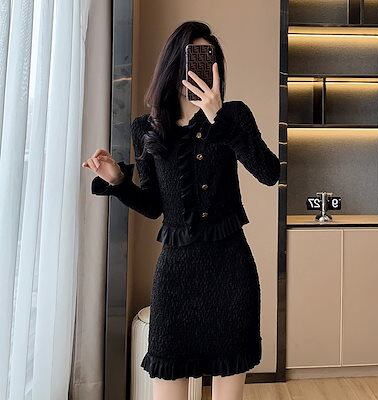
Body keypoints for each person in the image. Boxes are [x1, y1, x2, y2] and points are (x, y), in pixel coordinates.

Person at [82, 21, 280, 400]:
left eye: (209, 59)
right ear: (174, 64)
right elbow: (154, 205)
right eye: (193, 58)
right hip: (176, 278)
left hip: (231, 272)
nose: (201, 68)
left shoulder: (234, 115)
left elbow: (269, 173)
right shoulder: (147, 128)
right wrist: (118, 181)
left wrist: (219, 117)